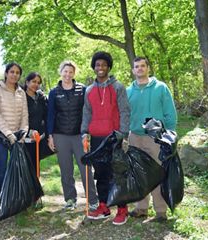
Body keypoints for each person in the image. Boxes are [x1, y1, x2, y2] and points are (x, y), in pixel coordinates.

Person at [81, 51, 130, 225]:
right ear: (94, 68)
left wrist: (123, 134)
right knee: (100, 173)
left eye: (103, 65)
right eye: (97, 65)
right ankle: (103, 206)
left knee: (117, 172)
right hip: (95, 137)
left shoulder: (118, 87)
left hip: (113, 136)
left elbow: (125, 110)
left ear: (108, 67)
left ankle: (122, 208)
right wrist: (84, 132)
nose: (100, 67)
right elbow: (87, 112)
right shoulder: (89, 90)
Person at [126, 56, 177, 222]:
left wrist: (169, 135)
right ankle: (141, 208)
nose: (139, 69)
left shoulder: (160, 88)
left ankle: (161, 211)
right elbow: (125, 115)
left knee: (157, 173)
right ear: (133, 70)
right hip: (135, 137)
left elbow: (170, 112)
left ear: (148, 68)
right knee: (138, 174)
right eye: (136, 66)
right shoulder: (128, 91)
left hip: (156, 137)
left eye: (142, 66)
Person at [47, 60, 98, 211]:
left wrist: (87, 132)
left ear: (74, 73)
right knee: (66, 169)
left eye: (70, 72)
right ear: (60, 72)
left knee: (86, 168)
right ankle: (70, 199)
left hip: (79, 135)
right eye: (65, 71)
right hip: (60, 135)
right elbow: (50, 115)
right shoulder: (54, 92)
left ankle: (93, 200)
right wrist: (50, 136)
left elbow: (88, 112)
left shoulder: (82, 89)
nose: (67, 74)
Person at [0, 62, 28, 199]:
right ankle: (2, 197)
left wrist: (23, 133)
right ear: (6, 73)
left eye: (17, 73)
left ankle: (15, 196)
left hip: (17, 136)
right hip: (0, 135)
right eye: (12, 72)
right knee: (2, 167)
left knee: (17, 167)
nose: (14, 75)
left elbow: (25, 116)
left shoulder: (21, 92)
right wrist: (8, 133)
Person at [23, 72, 54, 174]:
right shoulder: (21, 97)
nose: (36, 84)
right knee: (26, 166)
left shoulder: (41, 98)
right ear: (27, 82)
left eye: (38, 82)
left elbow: (46, 115)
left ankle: (36, 189)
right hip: (26, 138)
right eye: (33, 81)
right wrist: (28, 131)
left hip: (39, 138)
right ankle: (26, 189)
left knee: (36, 165)